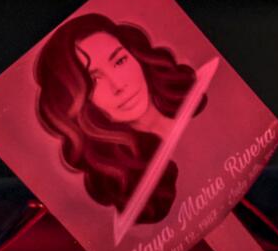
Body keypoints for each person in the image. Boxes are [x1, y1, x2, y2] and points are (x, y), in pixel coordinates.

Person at [35, 12, 208, 225]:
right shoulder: (128, 178)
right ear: (77, 103)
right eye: (94, 80)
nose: (118, 85)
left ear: (136, 55)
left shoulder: (200, 100)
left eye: (119, 61)